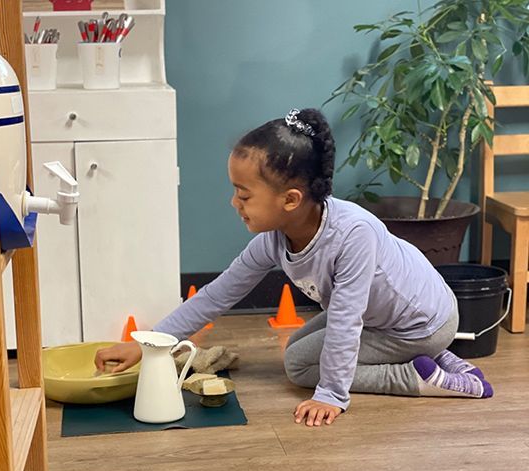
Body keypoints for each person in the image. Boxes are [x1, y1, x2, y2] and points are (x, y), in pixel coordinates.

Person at [95, 108, 493, 427]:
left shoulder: (353, 234)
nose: (235, 203)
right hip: (384, 319)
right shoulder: (276, 237)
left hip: (420, 323)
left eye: (244, 194)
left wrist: (331, 395)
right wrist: (147, 343)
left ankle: (415, 376)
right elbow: (219, 293)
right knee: (301, 344)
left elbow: (346, 322)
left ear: (290, 199)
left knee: (300, 365)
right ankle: (435, 358)